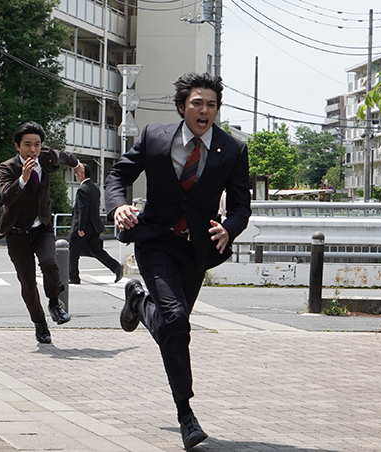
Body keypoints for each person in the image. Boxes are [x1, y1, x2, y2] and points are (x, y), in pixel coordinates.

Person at [104, 72, 251, 450]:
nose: (205, 111)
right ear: (183, 106)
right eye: (197, 103)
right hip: (156, 241)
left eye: (212, 105)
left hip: (196, 250)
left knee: (174, 324)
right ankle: (186, 415)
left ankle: (137, 302)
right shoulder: (154, 136)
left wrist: (230, 229)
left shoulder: (233, 149)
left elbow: (240, 206)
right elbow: (118, 175)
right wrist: (118, 206)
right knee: (175, 317)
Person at [0, 121, 84, 345]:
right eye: (27, 145)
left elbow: (64, 156)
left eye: (37, 144)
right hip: (17, 234)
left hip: (42, 228)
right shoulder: (7, 167)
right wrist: (22, 179)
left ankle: (54, 303)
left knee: (49, 262)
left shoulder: (45, 157)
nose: (33, 150)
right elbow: (6, 197)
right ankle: (40, 323)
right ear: (17, 146)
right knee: (28, 284)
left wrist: (77, 164)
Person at [68, 163, 123, 284]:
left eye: (77, 173)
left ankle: (73, 277)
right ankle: (116, 267)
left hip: (84, 227)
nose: (76, 176)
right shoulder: (94, 188)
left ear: (81, 174)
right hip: (94, 226)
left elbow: (83, 210)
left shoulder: (82, 189)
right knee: (96, 250)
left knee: (73, 250)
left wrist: (80, 228)